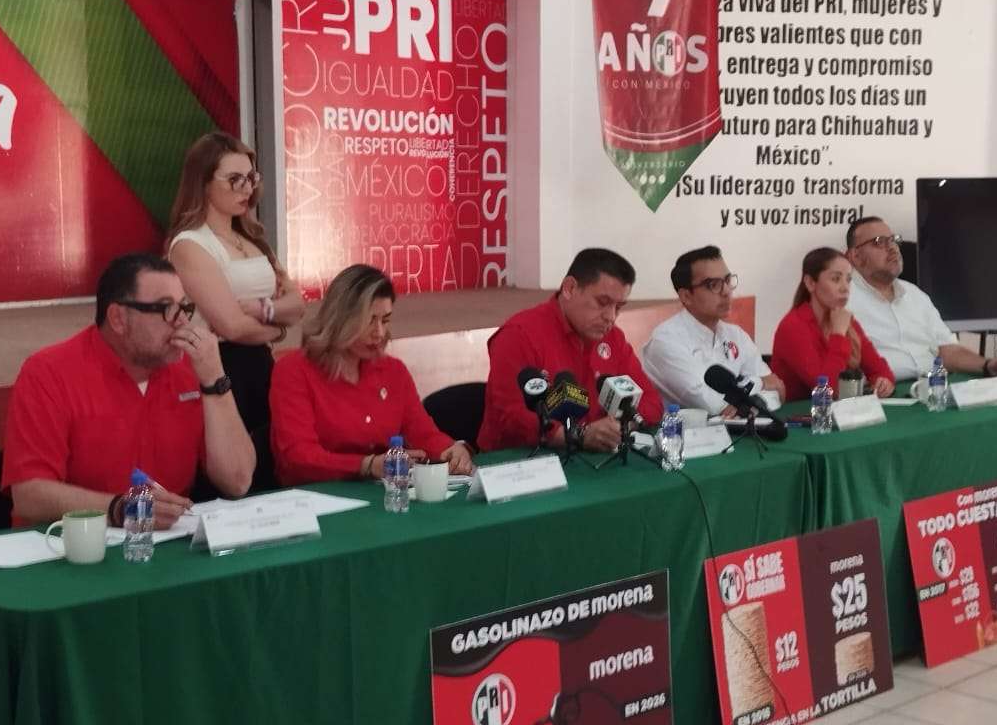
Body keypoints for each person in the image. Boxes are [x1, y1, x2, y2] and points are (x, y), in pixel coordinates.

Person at [2, 253, 255, 528]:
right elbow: (29, 495)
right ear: (118, 318)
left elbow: (238, 481)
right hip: (75, 541)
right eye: (166, 309)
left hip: (168, 540)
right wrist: (122, 509)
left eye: (184, 308)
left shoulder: (192, 369)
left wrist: (215, 379)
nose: (182, 321)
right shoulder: (49, 373)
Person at [165, 132, 306, 487]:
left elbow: (297, 305)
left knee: (270, 464)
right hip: (221, 365)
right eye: (234, 179)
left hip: (261, 362)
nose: (247, 189)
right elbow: (230, 325)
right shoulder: (190, 244)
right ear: (203, 182)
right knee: (232, 474)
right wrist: (278, 327)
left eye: (251, 178)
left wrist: (262, 309)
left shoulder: (253, 238)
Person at [270, 264, 473, 484]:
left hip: (381, 491)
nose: (379, 333)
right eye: (369, 321)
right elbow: (298, 458)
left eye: (385, 320)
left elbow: (422, 433)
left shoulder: (394, 371)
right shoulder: (293, 371)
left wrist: (451, 450)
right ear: (340, 319)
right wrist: (366, 465)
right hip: (312, 493)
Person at [477, 248, 663, 453]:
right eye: (602, 303)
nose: (610, 317)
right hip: (523, 460)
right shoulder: (519, 335)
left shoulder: (613, 338)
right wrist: (578, 435)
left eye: (618, 307)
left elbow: (652, 403)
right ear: (570, 288)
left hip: (594, 455)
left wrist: (617, 427)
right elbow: (511, 418)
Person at [844, 216, 997, 380]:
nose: (892, 248)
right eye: (879, 242)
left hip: (933, 386)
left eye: (893, 240)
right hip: (881, 392)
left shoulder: (915, 294)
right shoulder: (842, 299)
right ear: (855, 257)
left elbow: (947, 350)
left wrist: (988, 364)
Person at [642, 245, 786, 417]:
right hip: (687, 434)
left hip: (747, 428)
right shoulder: (665, 342)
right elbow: (715, 407)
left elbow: (776, 393)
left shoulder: (736, 335)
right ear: (686, 296)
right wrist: (760, 384)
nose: (726, 291)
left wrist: (753, 399)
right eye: (713, 285)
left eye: (727, 281)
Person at [772, 247, 896, 402]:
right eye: (836, 279)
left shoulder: (844, 320)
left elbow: (879, 369)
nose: (845, 288)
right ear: (810, 283)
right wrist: (838, 335)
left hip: (838, 411)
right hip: (798, 413)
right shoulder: (793, 326)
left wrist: (883, 381)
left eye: (848, 280)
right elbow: (826, 390)